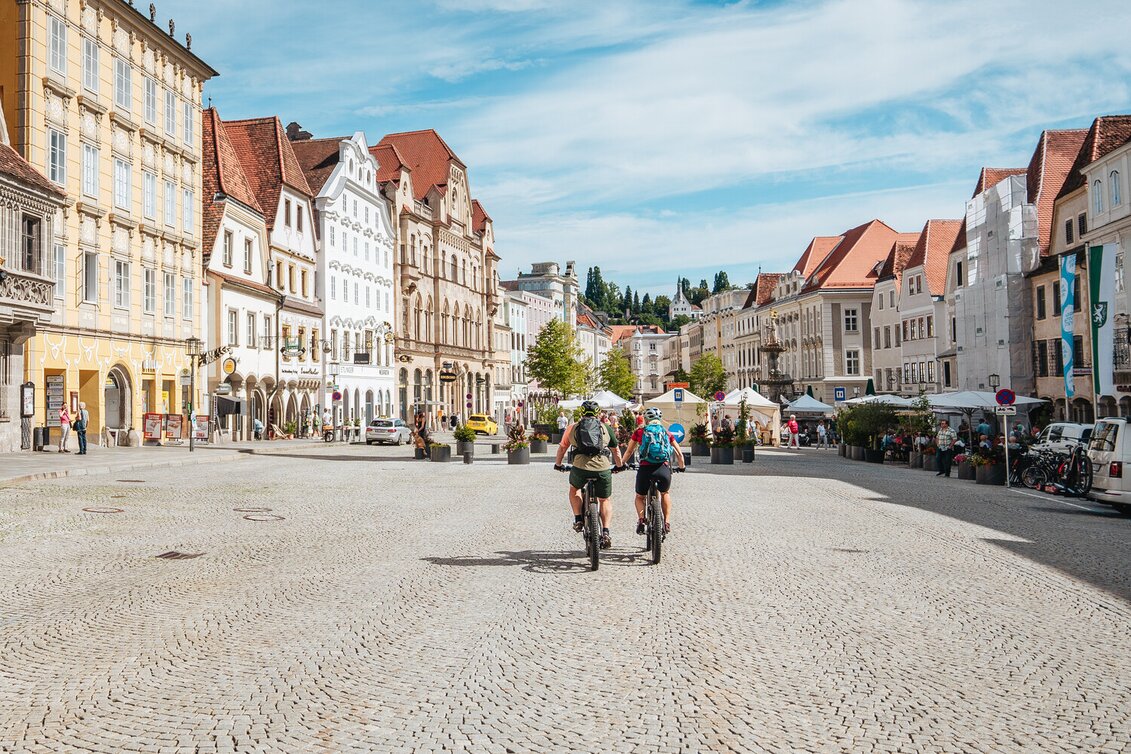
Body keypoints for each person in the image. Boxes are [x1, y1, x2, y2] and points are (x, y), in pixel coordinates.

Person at [553, 400, 624, 549]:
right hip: (602, 468)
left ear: (582, 413)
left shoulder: (572, 428)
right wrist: (619, 466)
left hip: (580, 468)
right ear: (598, 413)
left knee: (574, 489)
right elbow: (616, 451)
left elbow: (562, 448)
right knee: (604, 499)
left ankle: (578, 519)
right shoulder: (605, 428)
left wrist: (558, 464)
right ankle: (606, 532)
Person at [619, 407, 685, 535]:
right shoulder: (666, 432)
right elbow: (679, 454)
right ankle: (666, 522)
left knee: (640, 497)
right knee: (665, 493)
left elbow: (629, 451)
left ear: (646, 419)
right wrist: (682, 467)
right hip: (663, 469)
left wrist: (621, 465)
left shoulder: (640, 432)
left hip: (645, 469)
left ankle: (641, 520)